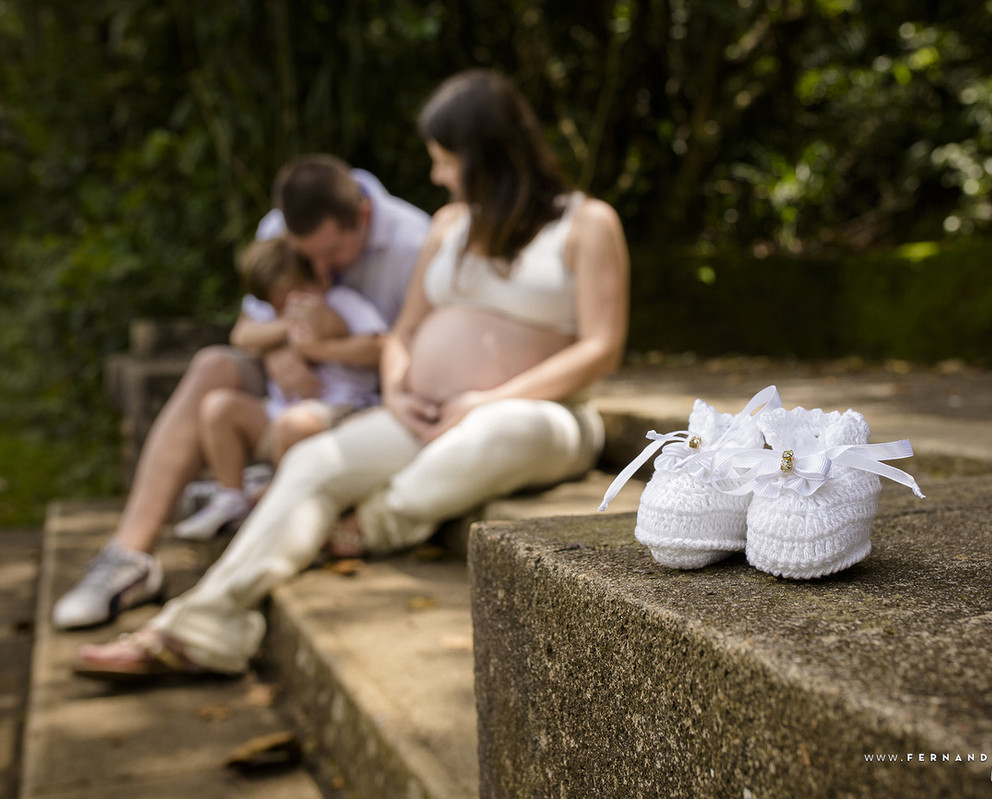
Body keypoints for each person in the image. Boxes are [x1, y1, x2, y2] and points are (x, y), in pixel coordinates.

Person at [73, 68, 630, 679]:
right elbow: (405, 332)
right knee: (313, 463)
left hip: (540, 416)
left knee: (498, 433)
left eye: (444, 161)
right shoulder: (449, 225)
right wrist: (396, 390)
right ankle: (200, 626)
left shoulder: (587, 223)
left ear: (485, 155)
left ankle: (370, 523)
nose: (437, 176)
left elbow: (601, 347)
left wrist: (490, 398)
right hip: (424, 410)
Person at [52, 155, 431, 629]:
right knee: (212, 367)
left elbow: (412, 351)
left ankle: (259, 502)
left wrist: (326, 346)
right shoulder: (279, 226)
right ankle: (128, 556)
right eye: (305, 255)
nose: (318, 270)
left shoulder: (417, 240)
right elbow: (247, 329)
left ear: (364, 217)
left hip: (367, 401)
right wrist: (281, 351)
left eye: (331, 253)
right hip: (289, 389)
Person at [173, 237, 389, 541]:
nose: (292, 306)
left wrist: (320, 348)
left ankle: (275, 503)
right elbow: (243, 336)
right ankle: (233, 496)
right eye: (280, 304)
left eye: (298, 295)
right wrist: (285, 328)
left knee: (295, 425)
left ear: (317, 278)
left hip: (337, 414)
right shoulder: (278, 318)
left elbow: (379, 347)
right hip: (277, 417)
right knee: (218, 407)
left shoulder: (343, 302)